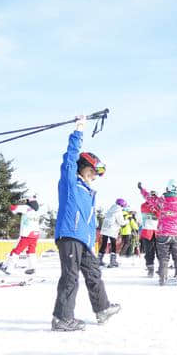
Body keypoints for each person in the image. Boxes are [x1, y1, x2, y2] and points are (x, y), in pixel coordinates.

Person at [52, 115, 120, 331]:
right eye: (90, 171)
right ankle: (62, 318)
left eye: (94, 174)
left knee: (93, 273)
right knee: (70, 277)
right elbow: (70, 158)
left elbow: (90, 222)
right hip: (69, 235)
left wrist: (92, 242)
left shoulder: (89, 191)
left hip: (83, 240)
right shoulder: (70, 182)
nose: (93, 176)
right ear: (81, 168)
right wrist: (78, 131)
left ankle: (102, 309)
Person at [140, 179, 177, 285]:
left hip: (163, 233)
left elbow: (149, 198)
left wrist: (142, 190)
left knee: (163, 258)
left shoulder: (162, 200)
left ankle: (162, 278)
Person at [0, 195, 41, 274]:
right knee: (31, 251)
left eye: (25, 200)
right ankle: (32, 267)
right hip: (35, 234)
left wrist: (7, 204)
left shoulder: (25, 207)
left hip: (26, 235)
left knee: (16, 251)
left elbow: (13, 208)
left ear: (28, 201)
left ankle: (8, 268)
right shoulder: (36, 210)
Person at [99, 199, 128, 267]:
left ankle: (98, 260)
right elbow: (121, 222)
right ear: (122, 205)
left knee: (104, 244)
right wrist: (127, 221)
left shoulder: (111, 209)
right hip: (112, 229)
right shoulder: (118, 210)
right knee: (113, 244)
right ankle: (113, 261)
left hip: (105, 228)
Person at [138, 185, 159, 277]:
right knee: (149, 252)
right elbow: (155, 212)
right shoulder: (143, 206)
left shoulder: (159, 205)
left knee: (160, 252)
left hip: (158, 232)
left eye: (155, 197)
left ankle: (161, 268)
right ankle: (150, 269)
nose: (153, 199)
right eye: (152, 197)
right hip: (147, 232)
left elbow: (160, 214)